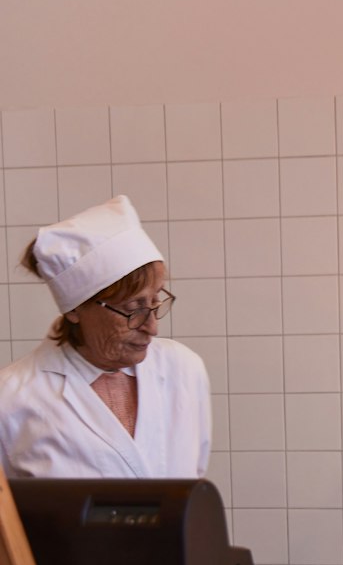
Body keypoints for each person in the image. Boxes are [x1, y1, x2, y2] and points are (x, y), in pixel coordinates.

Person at [0, 196, 210, 478]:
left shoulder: (184, 369)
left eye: (156, 301)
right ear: (75, 309)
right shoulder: (13, 399)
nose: (152, 328)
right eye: (131, 309)